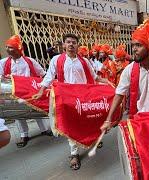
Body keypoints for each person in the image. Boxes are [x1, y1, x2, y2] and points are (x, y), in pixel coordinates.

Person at [33, 33, 111, 170]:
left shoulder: (85, 61)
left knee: (88, 121)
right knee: (72, 126)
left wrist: (108, 82)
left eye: (73, 42)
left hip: (84, 98)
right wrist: (41, 90)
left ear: (77, 45)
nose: (71, 44)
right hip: (67, 99)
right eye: (68, 42)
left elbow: (94, 78)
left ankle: (92, 139)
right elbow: (49, 77)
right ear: (63, 45)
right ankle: (74, 153)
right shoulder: (56, 60)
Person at [0, 35, 52, 148]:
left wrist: (45, 85)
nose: (7, 50)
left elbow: (43, 73)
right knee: (18, 114)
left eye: (11, 47)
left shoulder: (29, 61)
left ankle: (44, 130)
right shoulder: (3, 62)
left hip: (29, 92)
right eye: (7, 47)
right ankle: (24, 135)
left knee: (36, 109)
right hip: (13, 93)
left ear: (18, 49)